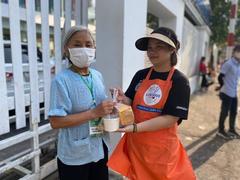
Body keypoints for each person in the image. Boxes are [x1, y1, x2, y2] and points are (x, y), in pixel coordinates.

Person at [107, 27, 196, 180]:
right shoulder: (141, 75)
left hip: (161, 151)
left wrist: (134, 127)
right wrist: (122, 99)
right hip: (137, 147)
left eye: (159, 47)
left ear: (172, 50)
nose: (152, 52)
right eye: (149, 48)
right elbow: (131, 101)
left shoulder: (179, 81)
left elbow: (170, 119)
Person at [48, 26, 114, 180]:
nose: (84, 49)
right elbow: (55, 121)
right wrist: (94, 113)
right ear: (66, 49)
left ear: (94, 48)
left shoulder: (97, 75)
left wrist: (112, 107)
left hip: (100, 148)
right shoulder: (61, 80)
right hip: (75, 155)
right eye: (77, 45)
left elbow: (99, 105)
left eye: (88, 44)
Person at [216, 45, 240, 139]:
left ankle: (231, 129)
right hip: (226, 92)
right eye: (238, 51)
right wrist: (222, 86)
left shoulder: (238, 64)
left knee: (234, 112)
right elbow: (220, 77)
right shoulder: (228, 63)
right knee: (224, 112)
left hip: (234, 93)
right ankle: (220, 130)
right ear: (234, 52)